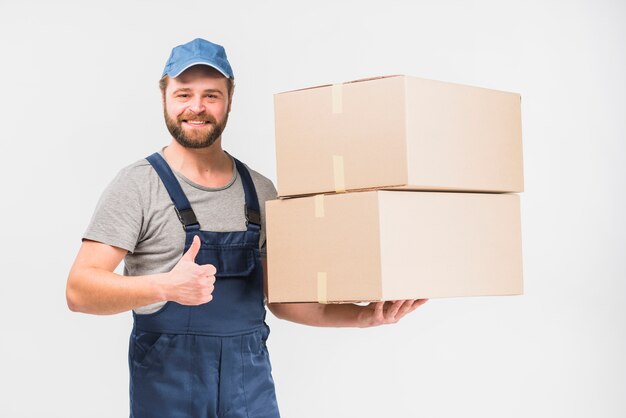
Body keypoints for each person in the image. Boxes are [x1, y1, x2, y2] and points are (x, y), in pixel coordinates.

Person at [66, 38, 428, 418]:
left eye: (211, 95)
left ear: (230, 99)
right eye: (183, 94)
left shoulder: (260, 190)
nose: (196, 107)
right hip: (168, 389)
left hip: (248, 390)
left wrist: (363, 316)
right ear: (164, 98)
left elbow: (284, 301)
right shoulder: (138, 185)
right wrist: (164, 286)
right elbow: (79, 290)